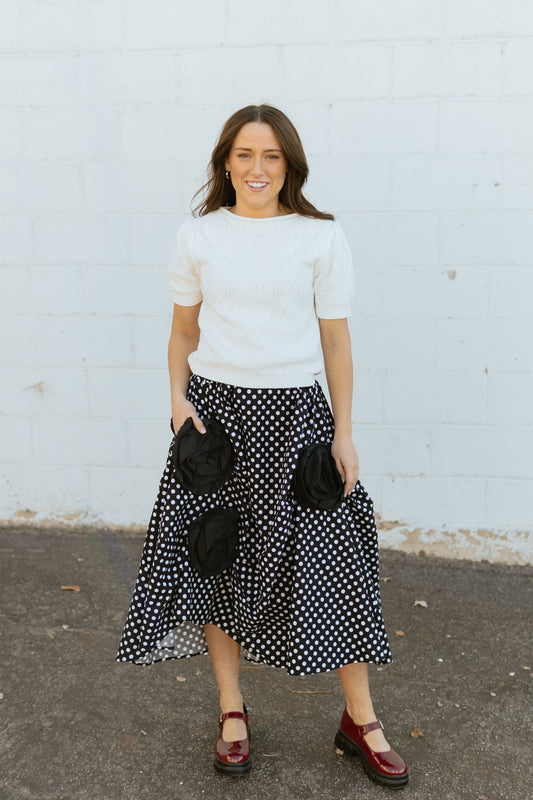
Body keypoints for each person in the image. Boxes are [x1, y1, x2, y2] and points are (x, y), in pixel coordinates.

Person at [116, 104, 408, 788]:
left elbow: (335, 339)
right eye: (245, 155)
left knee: (331, 560)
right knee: (218, 556)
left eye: (271, 156)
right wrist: (176, 401)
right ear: (226, 162)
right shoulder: (198, 235)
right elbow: (182, 331)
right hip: (216, 421)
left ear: (289, 165)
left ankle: (359, 720)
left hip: (298, 419)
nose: (256, 169)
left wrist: (342, 430)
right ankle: (231, 711)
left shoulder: (319, 236)